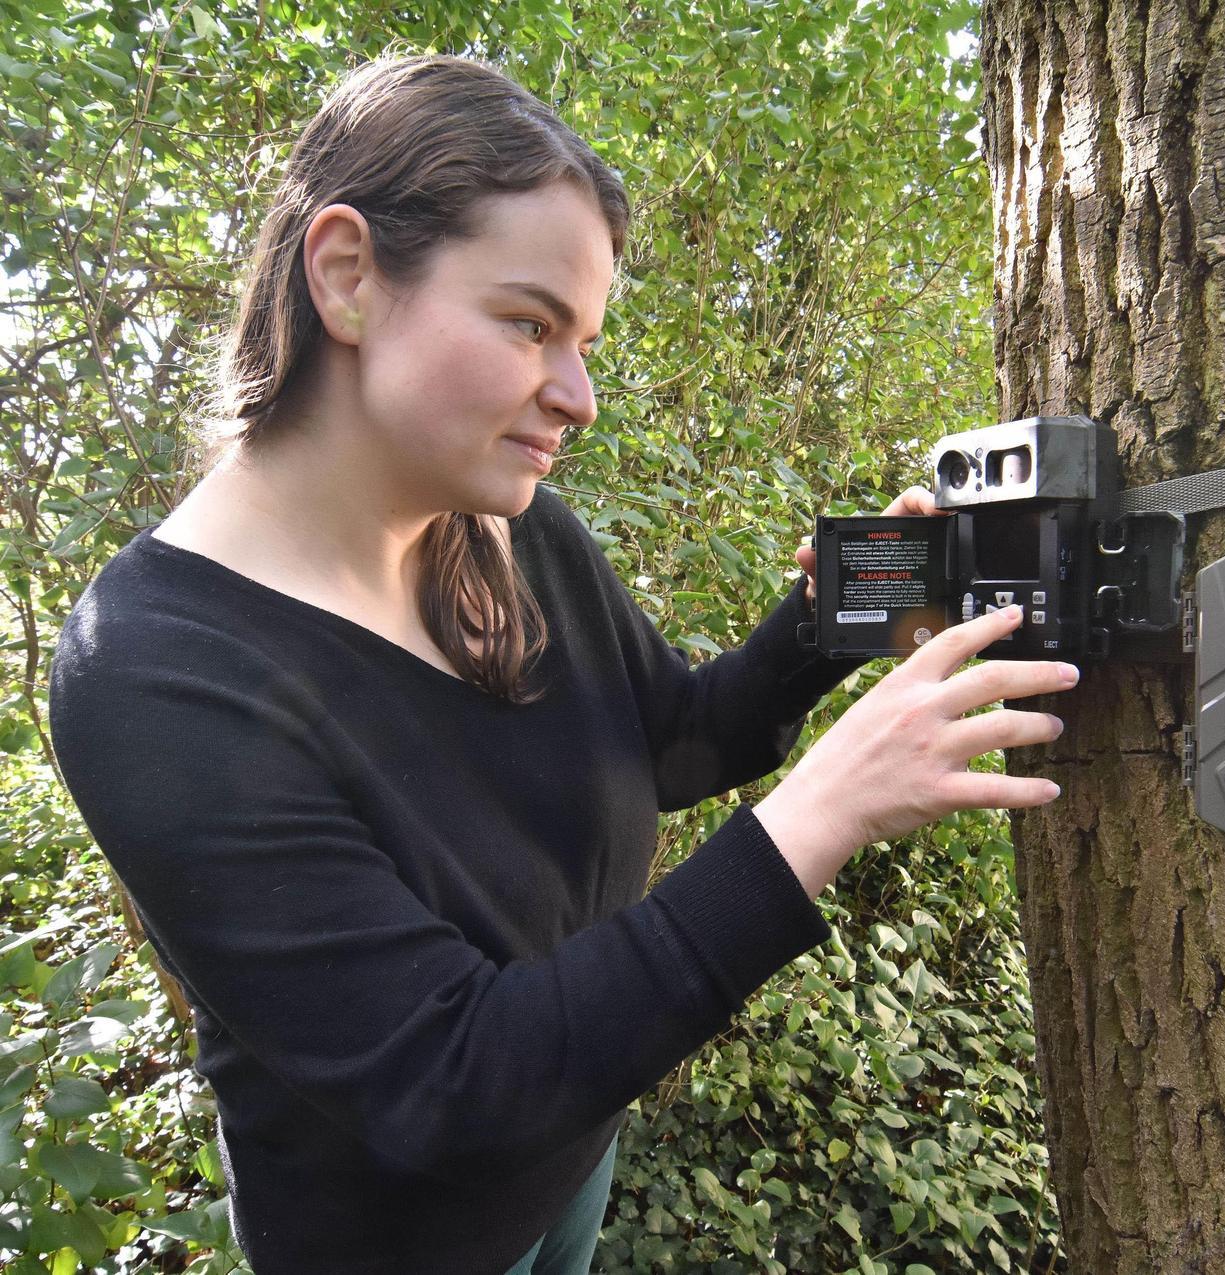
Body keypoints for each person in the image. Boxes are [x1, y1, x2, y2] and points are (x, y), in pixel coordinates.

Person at [45, 53, 1075, 1275]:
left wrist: (827, 623)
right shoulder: (155, 672)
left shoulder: (504, 527)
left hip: (573, 1160)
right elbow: (456, 1086)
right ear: (347, 275)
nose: (577, 394)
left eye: (580, 340)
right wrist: (824, 811)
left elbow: (676, 741)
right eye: (530, 323)